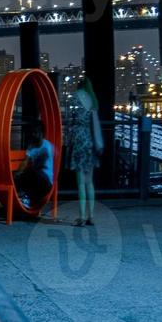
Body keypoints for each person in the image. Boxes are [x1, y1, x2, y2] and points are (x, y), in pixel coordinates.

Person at [62, 80, 106, 226]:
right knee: (89, 182)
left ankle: (81, 217)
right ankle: (91, 216)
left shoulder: (74, 98)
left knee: (80, 183)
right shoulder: (92, 100)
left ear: (78, 87)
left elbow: (69, 121)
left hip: (79, 142)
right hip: (90, 143)